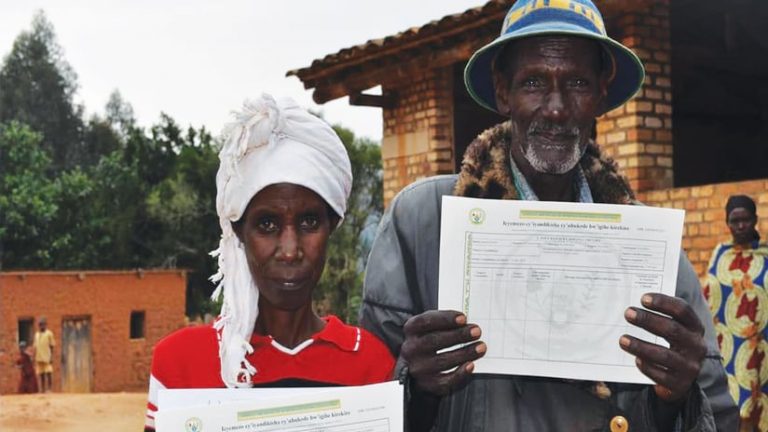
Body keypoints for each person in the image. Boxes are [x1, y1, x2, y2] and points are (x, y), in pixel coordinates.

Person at [360, 1, 738, 431]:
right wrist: (415, 389)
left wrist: (677, 398)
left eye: (576, 82)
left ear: (601, 94)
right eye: (534, 82)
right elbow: (370, 403)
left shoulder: (651, 252)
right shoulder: (424, 222)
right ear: (503, 92)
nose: (556, 108)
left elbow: (718, 416)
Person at [144, 94, 395, 430]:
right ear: (238, 231)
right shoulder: (179, 362)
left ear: (331, 226)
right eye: (267, 224)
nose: (290, 250)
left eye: (309, 222)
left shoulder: (370, 363)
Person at [703, 195, 768, 430]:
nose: (741, 226)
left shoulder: (766, 256)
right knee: (731, 409)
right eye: (734, 221)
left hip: (761, 346)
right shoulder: (720, 255)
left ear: (755, 220)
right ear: (727, 222)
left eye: (746, 220)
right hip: (728, 347)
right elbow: (709, 298)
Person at [33, 316, 55, 393]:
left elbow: (52, 346)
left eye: (43, 324)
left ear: (46, 325)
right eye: (40, 324)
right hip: (39, 357)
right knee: (41, 374)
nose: (41, 326)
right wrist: (34, 357)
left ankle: (49, 389)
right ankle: (42, 389)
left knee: (48, 373)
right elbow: (35, 346)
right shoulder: (36, 335)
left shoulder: (49, 334)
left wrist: (51, 357)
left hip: (47, 357)